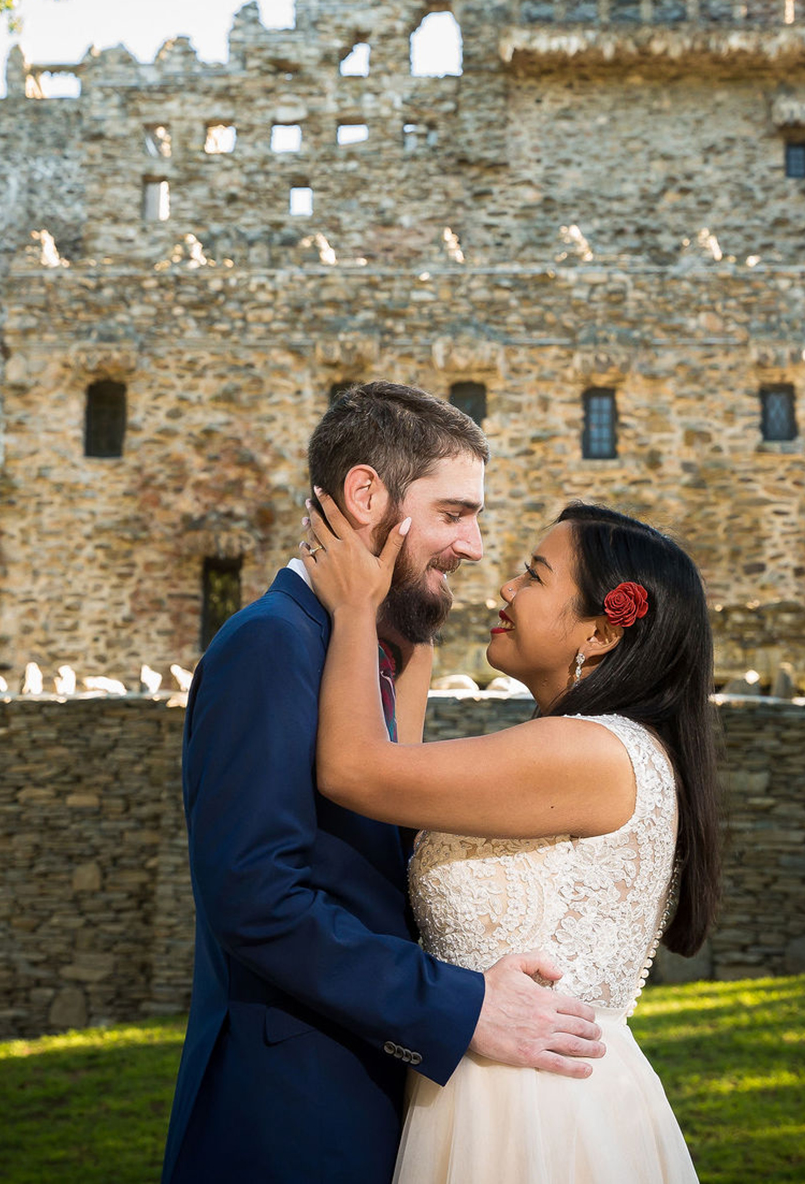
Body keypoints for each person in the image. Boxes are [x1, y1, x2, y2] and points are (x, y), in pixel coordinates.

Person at [162, 383, 606, 1184]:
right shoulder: (270, 645)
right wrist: (461, 1006)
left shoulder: (357, 650)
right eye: (454, 513)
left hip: (369, 1100)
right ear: (368, 495)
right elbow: (255, 899)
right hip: (289, 1119)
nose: (473, 547)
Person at [303, 492, 722, 1184]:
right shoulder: (598, 748)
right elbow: (396, 779)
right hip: (494, 1088)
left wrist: (351, 608)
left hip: (531, 1115)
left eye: (533, 575)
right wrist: (411, 627)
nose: (505, 585)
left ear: (600, 634)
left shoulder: (584, 752)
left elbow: (354, 771)